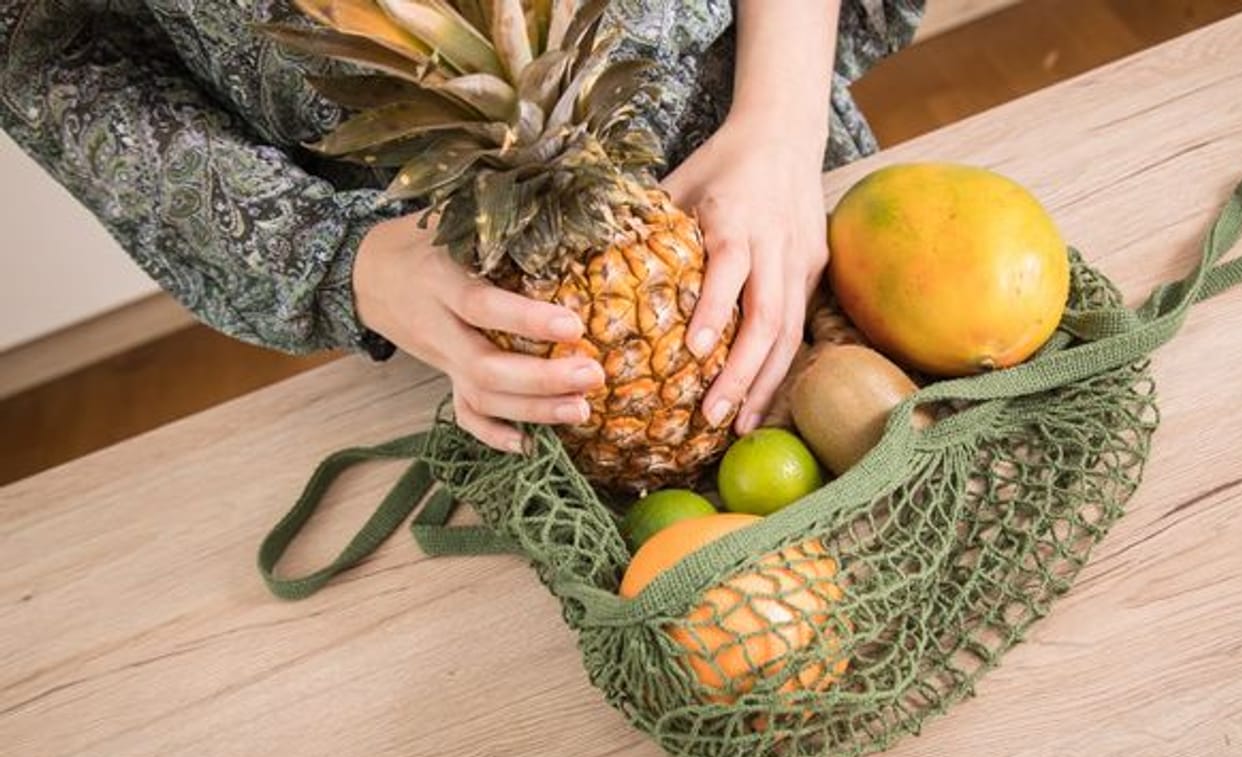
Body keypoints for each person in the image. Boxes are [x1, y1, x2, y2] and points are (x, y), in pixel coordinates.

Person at [0, 0, 923, 452]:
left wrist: (780, 116)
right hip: (466, 309)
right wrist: (341, 259)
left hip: (771, 164)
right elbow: (39, 45)